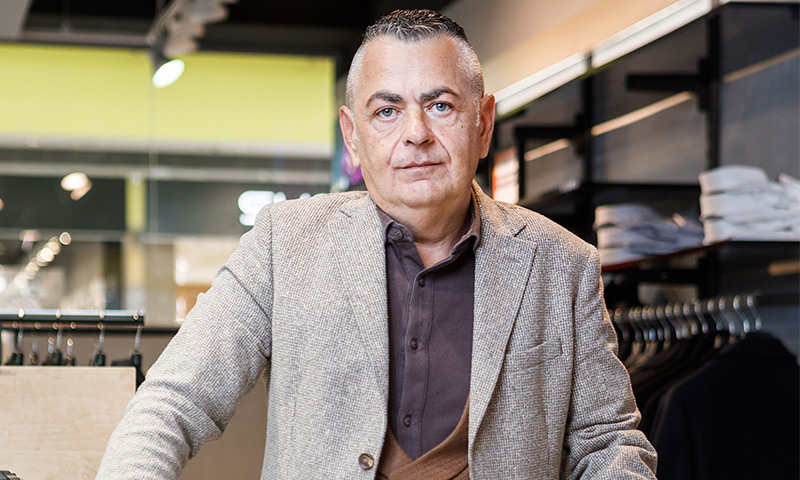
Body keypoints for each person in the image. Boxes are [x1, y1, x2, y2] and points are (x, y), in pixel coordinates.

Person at [98, 9, 657, 479]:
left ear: (484, 124)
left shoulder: (562, 264)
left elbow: (608, 441)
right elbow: (174, 402)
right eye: (386, 111)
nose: (415, 133)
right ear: (352, 135)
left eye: (440, 105)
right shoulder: (284, 244)